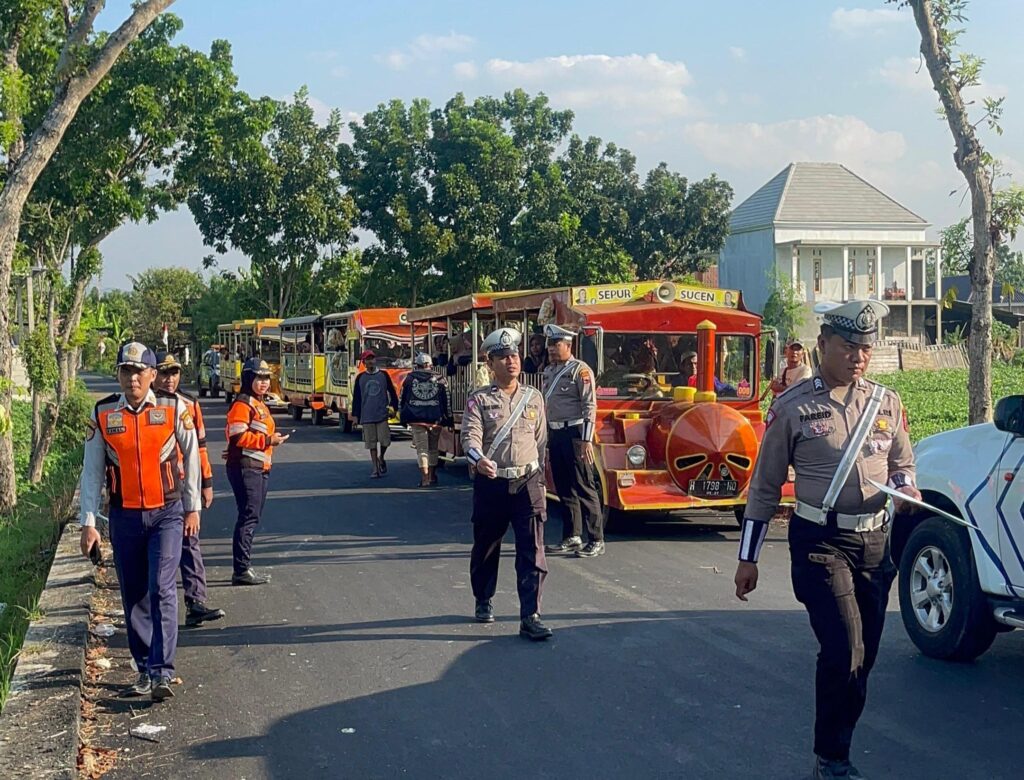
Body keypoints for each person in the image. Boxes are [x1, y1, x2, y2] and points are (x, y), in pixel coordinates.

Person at [733, 300, 920, 780]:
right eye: (848, 346)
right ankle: (831, 757)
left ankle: (839, 743)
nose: (858, 356)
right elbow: (765, 487)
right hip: (821, 542)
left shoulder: (886, 402)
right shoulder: (793, 407)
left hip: (876, 545)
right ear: (823, 346)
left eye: (865, 347)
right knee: (844, 647)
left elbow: (902, 465)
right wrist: (747, 558)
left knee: (865, 657)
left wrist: (905, 491)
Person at [78, 342, 201, 702]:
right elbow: (92, 471)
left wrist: (193, 507)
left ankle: (163, 671)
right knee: (134, 593)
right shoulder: (102, 414)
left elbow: (191, 457)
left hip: (167, 512)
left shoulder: (174, 407)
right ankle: (145, 667)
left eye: (139, 372)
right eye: (125, 372)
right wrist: (89, 522)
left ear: (152, 375)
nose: (133, 378)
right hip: (124, 515)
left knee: (162, 586)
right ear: (118, 375)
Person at [462, 327, 552, 641]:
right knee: (487, 545)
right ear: (490, 364)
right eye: (502, 357)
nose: (511, 362)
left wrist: (537, 475)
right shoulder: (479, 400)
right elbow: (469, 437)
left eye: (514, 355)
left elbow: (541, 442)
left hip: (527, 482)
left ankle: (531, 615)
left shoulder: (534, 398)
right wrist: (477, 458)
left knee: (533, 551)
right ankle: (483, 598)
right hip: (492, 483)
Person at [153, 353, 225, 627]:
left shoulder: (189, 405)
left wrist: (206, 484)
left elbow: (200, 449)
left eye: (174, 373)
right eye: (164, 373)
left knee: (190, 540)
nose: (169, 379)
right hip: (155, 486)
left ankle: (196, 601)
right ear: (152, 374)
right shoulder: (145, 405)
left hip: (184, 485)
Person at [542, 324, 604, 558]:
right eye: (549, 344)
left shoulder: (581, 371)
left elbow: (589, 405)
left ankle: (596, 538)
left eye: (555, 344)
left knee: (584, 485)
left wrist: (586, 440)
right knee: (563, 486)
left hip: (576, 433)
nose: (550, 349)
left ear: (568, 345)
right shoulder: (548, 371)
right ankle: (572, 535)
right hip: (556, 433)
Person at [226, 358, 289, 586]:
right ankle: (241, 569)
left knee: (251, 516)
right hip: (247, 469)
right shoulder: (243, 404)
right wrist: (268, 440)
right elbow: (238, 436)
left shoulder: (258, 403)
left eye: (266, 378)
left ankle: (242, 567)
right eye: (258, 378)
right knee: (248, 517)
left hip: (258, 468)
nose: (263, 382)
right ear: (248, 379)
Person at [399, 353, 453, 487]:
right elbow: (447, 401)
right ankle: (432, 475)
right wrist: (449, 418)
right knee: (433, 449)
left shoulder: (409, 379)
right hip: (435, 419)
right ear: (431, 365)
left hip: (416, 420)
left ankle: (425, 479)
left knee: (422, 450)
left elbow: (402, 400)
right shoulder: (440, 379)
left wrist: (403, 417)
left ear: (417, 365)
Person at [352, 349, 399, 478]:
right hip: (367, 415)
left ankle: (381, 457)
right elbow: (356, 398)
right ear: (364, 362)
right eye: (368, 359)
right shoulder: (360, 378)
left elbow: (392, 393)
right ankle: (375, 468)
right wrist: (355, 416)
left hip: (382, 414)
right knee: (371, 443)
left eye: (372, 358)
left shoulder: (383, 375)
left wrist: (394, 408)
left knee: (385, 441)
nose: (370, 361)